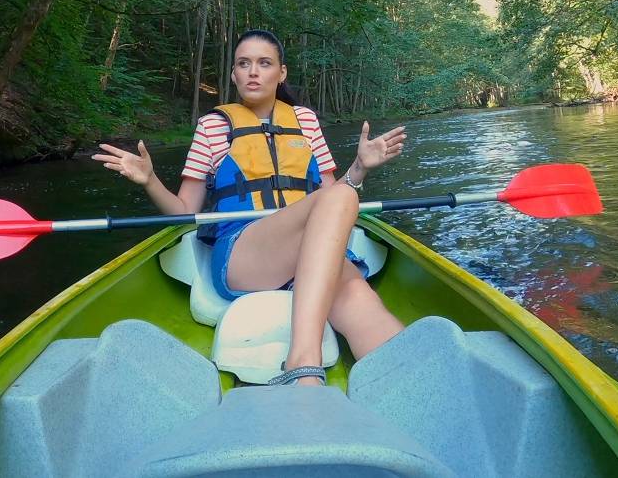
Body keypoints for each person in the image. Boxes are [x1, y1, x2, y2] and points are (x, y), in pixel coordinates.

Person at [92, 29, 407, 385]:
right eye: (244, 64)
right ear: (234, 74)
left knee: (368, 312)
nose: (253, 72)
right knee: (342, 199)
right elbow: (182, 212)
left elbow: (335, 199)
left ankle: (409, 384)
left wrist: (359, 169)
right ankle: (303, 364)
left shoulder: (305, 121)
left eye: (264, 63)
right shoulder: (212, 127)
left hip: (308, 251)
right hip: (244, 255)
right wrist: (150, 180)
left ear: (281, 73)